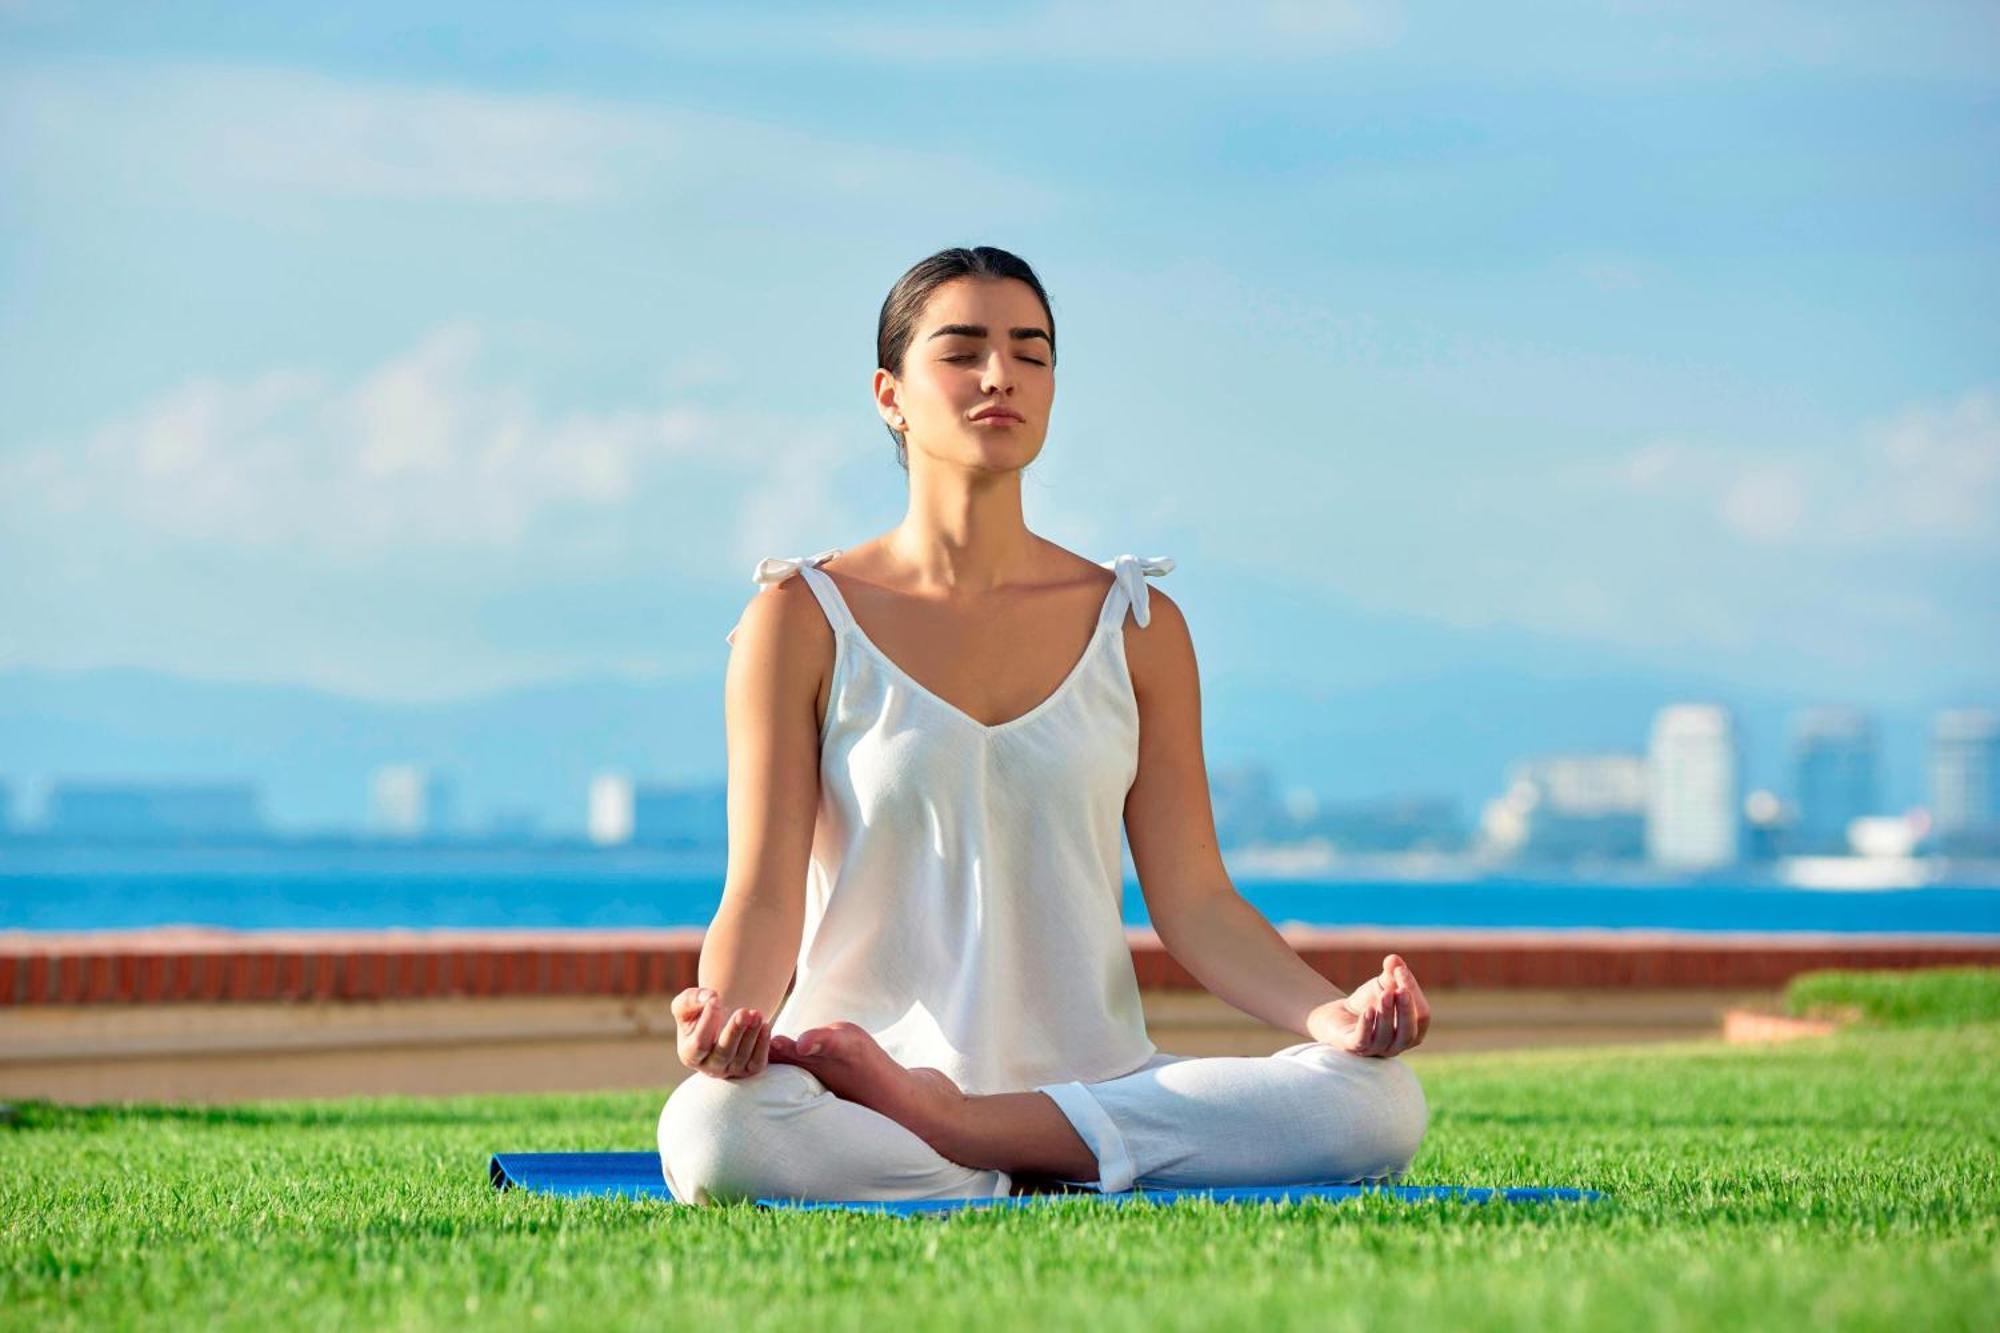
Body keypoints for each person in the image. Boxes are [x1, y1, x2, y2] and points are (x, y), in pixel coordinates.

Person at [657, 246, 1431, 1205]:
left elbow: (1194, 903)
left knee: (1377, 1103)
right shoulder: (800, 618)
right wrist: (724, 1020)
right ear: (890, 393)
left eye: (1032, 352)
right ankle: (1031, 1159)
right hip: (854, 1087)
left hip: (1092, 1083)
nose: (1001, 376)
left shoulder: (1137, 623)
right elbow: (765, 893)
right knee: (711, 1129)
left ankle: (967, 1140)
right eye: (963, 349)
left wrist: (1333, 1015)